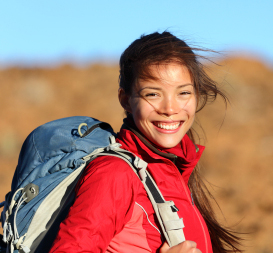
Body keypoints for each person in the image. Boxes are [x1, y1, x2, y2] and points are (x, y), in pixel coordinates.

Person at [49, 32, 241, 253]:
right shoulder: (114, 173)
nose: (170, 109)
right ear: (126, 100)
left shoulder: (173, 170)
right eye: (153, 94)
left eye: (184, 92)